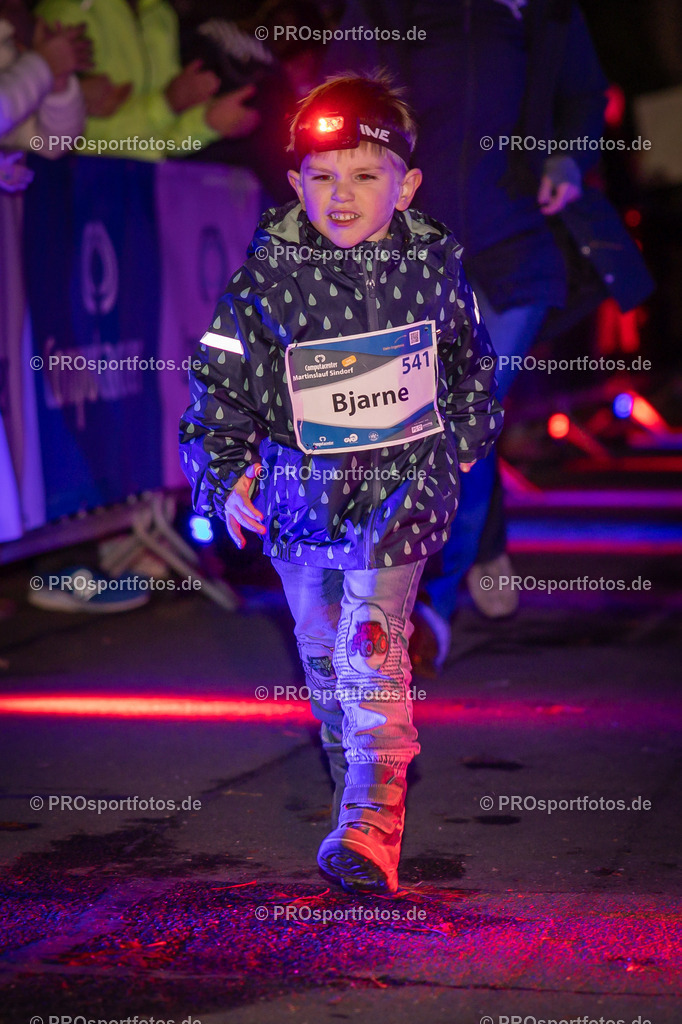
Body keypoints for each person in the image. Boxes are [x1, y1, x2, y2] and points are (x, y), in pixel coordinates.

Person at [179, 72, 503, 894]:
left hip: (399, 502)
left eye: (365, 175)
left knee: (370, 650)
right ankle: (352, 794)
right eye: (323, 176)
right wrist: (225, 476)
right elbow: (217, 391)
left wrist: (458, 448)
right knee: (325, 661)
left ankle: (373, 822)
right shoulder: (262, 285)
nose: (343, 194)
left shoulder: (437, 273)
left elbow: (472, 373)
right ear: (295, 183)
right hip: (298, 506)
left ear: (408, 184)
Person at [321, 0, 616, 664]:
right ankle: (473, 542)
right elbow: (334, 95)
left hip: (514, 247)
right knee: (409, 421)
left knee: (462, 415)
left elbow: (584, 93)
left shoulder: (545, 10)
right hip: (412, 250)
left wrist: (569, 158)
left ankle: (430, 611)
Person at [34, 0, 260, 160]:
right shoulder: (66, 10)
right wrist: (167, 103)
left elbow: (161, 141)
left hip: (144, 192)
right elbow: (63, 139)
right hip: (77, 193)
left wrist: (207, 122)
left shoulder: (160, 13)